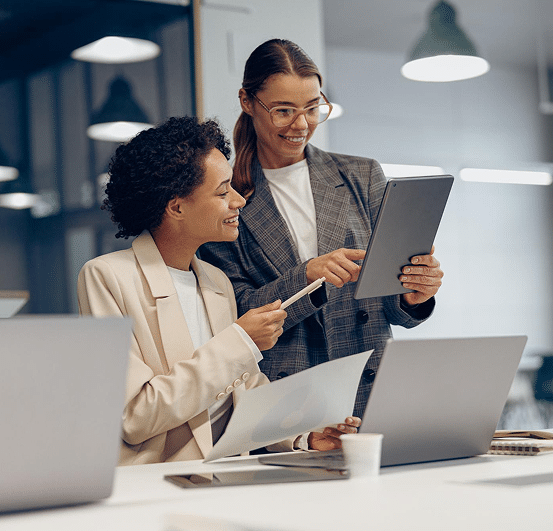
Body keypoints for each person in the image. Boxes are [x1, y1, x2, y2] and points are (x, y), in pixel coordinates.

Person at [78, 116, 359, 465]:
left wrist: (304, 434)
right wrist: (241, 341)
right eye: (223, 191)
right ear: (176, 207)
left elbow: (242, 394)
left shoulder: (216, 282)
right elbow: (136, 417)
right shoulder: (106, 277)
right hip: (155, 486)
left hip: (225, 477)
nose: (239, 201)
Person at [199, 39, 444, 418]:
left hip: (370, 384)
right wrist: (307, 276)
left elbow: (390, 306)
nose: (301, 125)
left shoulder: (362, 176)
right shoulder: (226, 196)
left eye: (313, 108)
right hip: (285, 397)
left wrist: (416, 292)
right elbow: (233, 312)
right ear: (247, 102)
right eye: (283, 111)